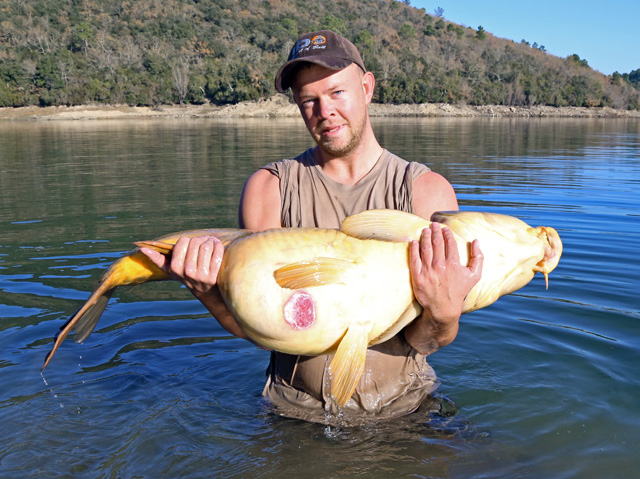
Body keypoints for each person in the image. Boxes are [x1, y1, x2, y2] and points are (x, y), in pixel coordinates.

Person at [141, 30, 483, 425]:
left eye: (338, 92)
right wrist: (209, 295)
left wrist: (443, 312)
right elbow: (256, 327)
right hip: (294, 412)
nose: (325, 111)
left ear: (367, 87)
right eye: (309, 100)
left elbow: (428, 340)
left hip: (406, 409)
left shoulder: (426, 193)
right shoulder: (269, 189)